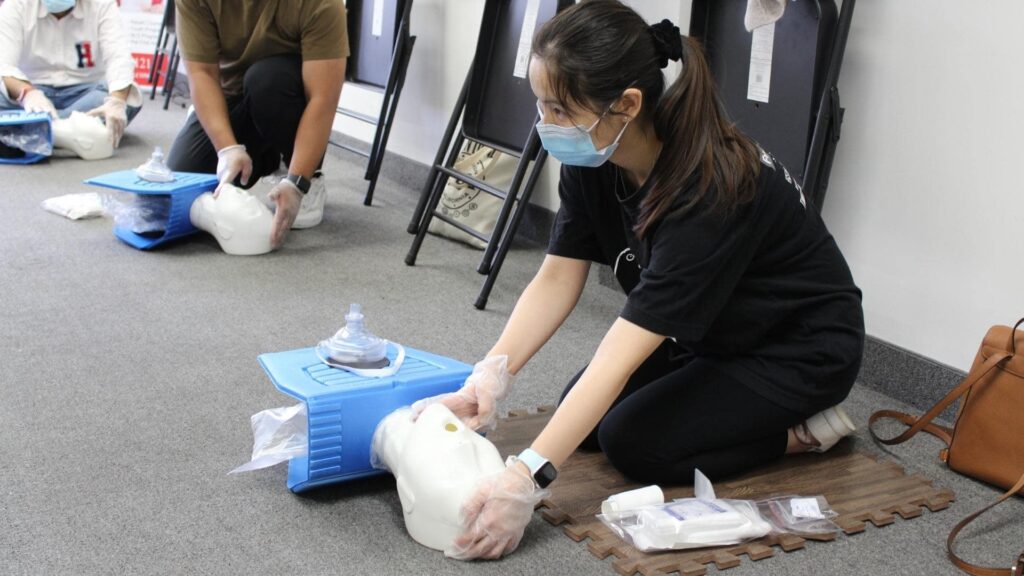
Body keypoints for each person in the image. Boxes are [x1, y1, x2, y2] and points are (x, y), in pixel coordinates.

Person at [412, 0, 865, 561]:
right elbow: (557, 275)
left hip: (798, 348)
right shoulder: (596, 153)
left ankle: (804, 432)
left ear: (626, 104)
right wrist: (491, 375)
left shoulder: (709, 188)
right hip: (713, 329)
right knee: (583, 415)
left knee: (635, 443)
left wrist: (526, 479)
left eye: (557, 108)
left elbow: (617, 355)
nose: (544, 124)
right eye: (540, 105)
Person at [167, 0, 348, 248]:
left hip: (285, 95)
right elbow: (202, 74)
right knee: (183, 177)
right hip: (232, 95)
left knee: (265, 80)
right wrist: (227, 148)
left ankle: (307, 175)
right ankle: (264, 158)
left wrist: (298, 182)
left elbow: (322, 98)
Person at [0, 0, 142, 152]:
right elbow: (4, 65)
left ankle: (31, 131)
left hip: (85, 92)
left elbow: (119, 57)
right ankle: (68, 132)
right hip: (30, 93)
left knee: (126, 97)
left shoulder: (102, 4)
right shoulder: (16, 5)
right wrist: (29, 94)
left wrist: (116, 101)